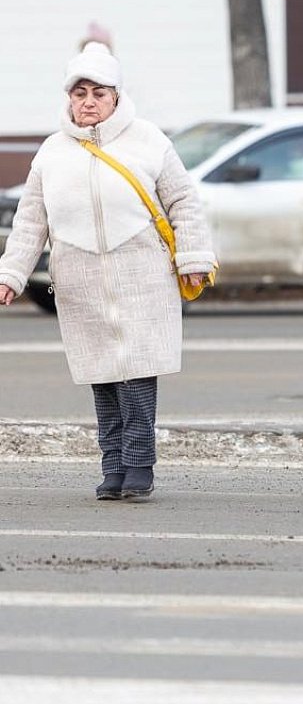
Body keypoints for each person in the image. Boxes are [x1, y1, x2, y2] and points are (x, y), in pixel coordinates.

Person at [0, 42, 217, 501]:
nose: (89, 102)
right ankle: (112, 465)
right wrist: (11, 275)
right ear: (69, 100)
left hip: (141, 274)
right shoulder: (52, 153)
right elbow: (30, 222)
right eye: (80, 93)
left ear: (116, 96)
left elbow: (183, 202)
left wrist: (194, 259)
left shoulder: (149, 141)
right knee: (102, 375)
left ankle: (138, 464)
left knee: (138, 371)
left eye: (99, 92)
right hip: (80, 278)